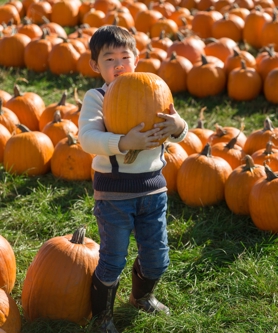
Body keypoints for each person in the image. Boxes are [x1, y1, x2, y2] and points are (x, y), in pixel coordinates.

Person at [78, 25, 188, 333]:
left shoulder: (153, 89)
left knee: (157, 257)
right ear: (95, 66)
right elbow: (87, 138)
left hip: (153, 190)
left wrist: (177, 126)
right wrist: (124, 142)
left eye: (124, 57)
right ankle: (102, 318)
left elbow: (177, 129)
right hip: (114, 194)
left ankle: (143, 297)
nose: (118, 64)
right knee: (112, 259)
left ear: (136, 60)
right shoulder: (97, 97)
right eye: (109, 59)